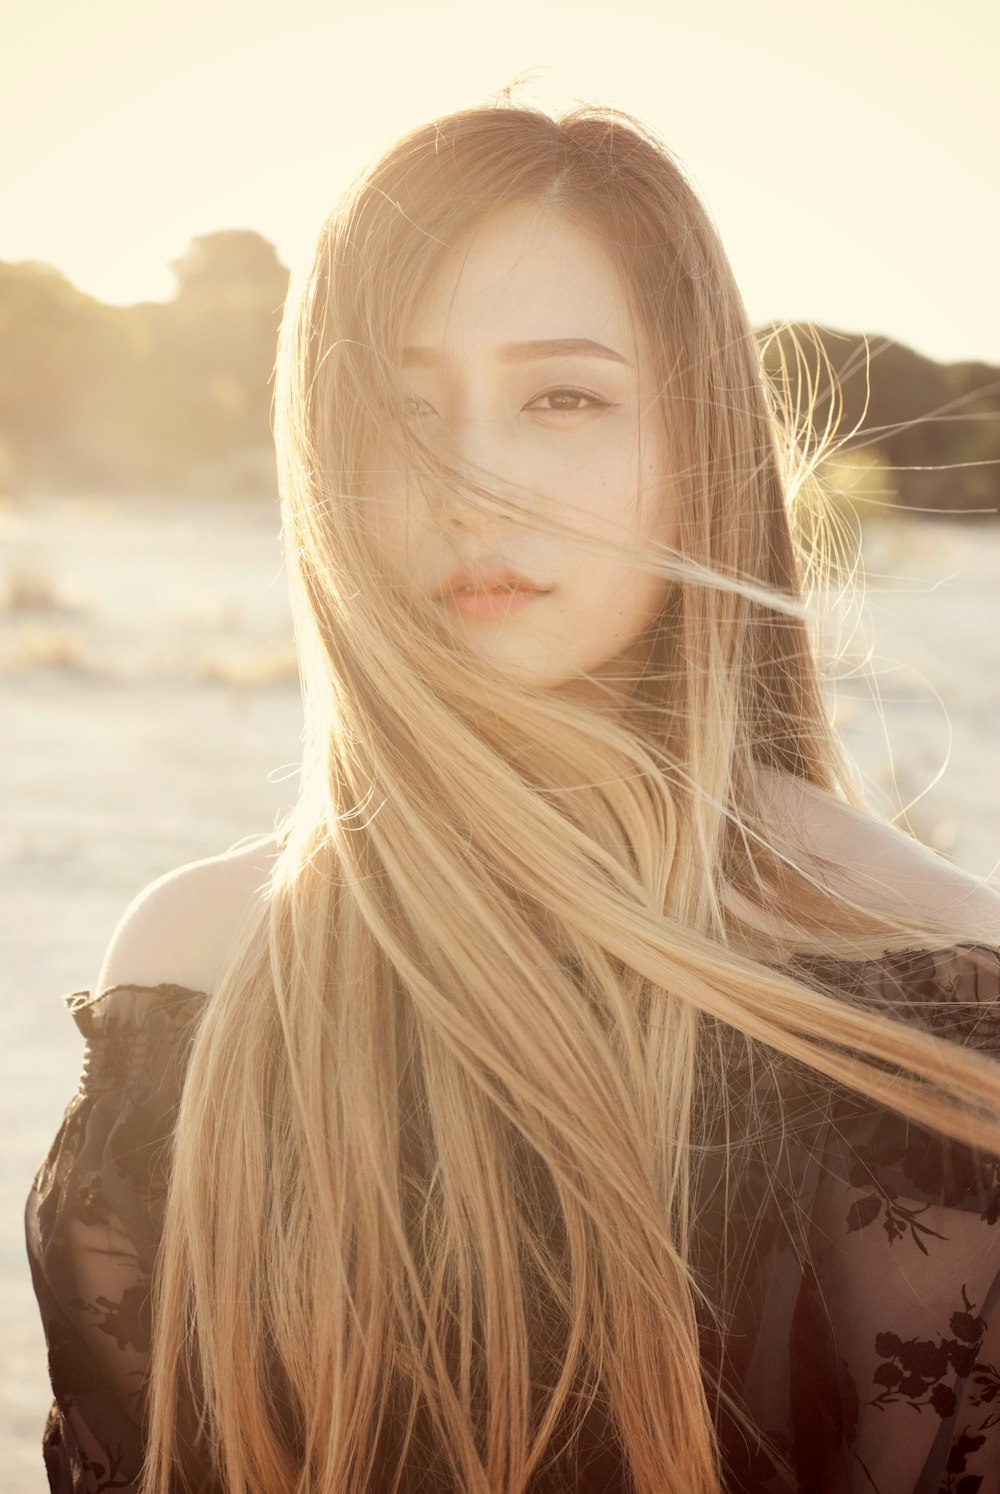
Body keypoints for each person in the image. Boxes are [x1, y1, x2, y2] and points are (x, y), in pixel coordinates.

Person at [25, 98, 1000, 1494]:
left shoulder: (936, 996)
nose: (466, 482)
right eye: (401, 409)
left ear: (698, 443)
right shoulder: (197, 971)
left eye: (562, 396)